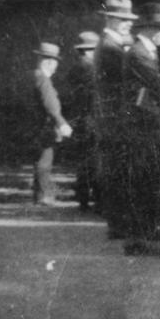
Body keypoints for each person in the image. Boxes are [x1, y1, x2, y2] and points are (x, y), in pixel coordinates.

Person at [123, 2, 160, 255]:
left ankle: (140, 239)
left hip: (148, 124)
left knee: (148, 180)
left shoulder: (147, 52)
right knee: (151, 179)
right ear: (149, 29)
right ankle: (152, 240)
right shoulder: (139, 54)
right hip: (145, 126)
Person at [93, 0, 138, 243]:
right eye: (122, 19)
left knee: (117, 170)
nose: (128, 24)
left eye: (129, 19)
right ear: (109, 19)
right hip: (115, 119)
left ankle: (118, 224)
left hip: (110, 118)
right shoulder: (111, 48)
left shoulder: (111, 44)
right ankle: (120, 225)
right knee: (119, 171)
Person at [30, 42, 72, 206]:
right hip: (45, 126)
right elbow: (51, 105)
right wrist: (62, 123)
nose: (55, 68)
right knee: (44, 161)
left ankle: (39, 193)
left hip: (36, 124)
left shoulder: (34, 75)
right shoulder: (44, 80)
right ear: (49, 62)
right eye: (55, 64)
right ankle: (42, 196)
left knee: (40, 160)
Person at [64, 31, 100, 211]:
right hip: (92, 118)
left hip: (80, 119)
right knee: (94, 160)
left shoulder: (75, 67)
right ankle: (96, 199)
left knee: (84, 161)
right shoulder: (90, 68)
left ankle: (83, 198)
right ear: (89, 50)